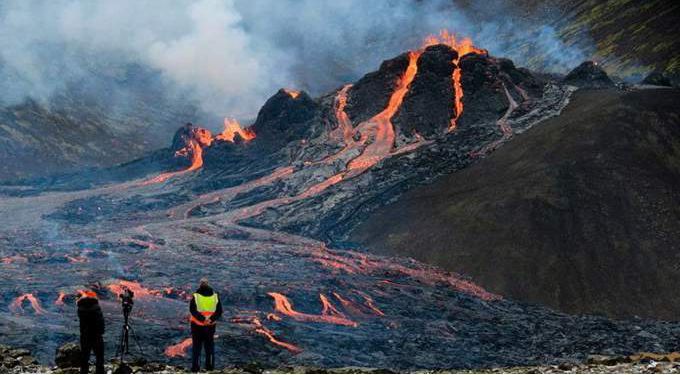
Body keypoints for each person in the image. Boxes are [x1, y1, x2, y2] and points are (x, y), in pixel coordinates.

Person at [189, 278, 223, 372]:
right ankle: (210, 368)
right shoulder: (215, 296)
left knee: (197, 348)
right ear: (208, 284)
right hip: (210, 326)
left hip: (197, 325)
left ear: (200, 285)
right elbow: (219, 311)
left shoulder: (196, 296)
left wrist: (203, 319)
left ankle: (195, 369)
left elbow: (192, 310)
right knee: (209, 347)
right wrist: (210, 319)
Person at [77, 290, 105, 374]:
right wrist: (101, 332)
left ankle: (84, 372)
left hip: (85, 336)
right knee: (99, 357)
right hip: (97, 335)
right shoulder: (97, 309)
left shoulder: (80, 310)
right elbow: (101, 323)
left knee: (84, 357)